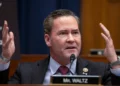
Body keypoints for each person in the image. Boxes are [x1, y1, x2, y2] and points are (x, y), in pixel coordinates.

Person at [0, 9, 120, 85]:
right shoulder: (26, 72)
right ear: (48, 40)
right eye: (63, 33)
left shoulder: (99, 71)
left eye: (75, 32)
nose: (71, 39)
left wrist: (115, 62)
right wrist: (5, 58)